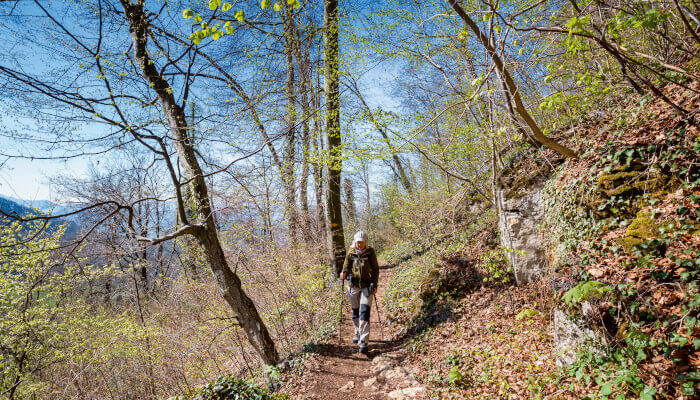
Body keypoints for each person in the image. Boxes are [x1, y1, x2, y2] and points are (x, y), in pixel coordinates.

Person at [339, 230, 379, 354]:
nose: (359, 245)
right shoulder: (351, 253)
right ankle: (357, 331)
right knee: (356, 312)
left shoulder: (370, 252)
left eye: (361, 242)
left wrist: (374, 283)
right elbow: (345, 266)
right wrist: (343, 273)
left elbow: (376, 269)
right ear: (354, 242)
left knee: (364, 312)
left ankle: (364, 341)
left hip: (367, 286)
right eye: (357, 242)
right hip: (353, 286)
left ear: (365, 242)